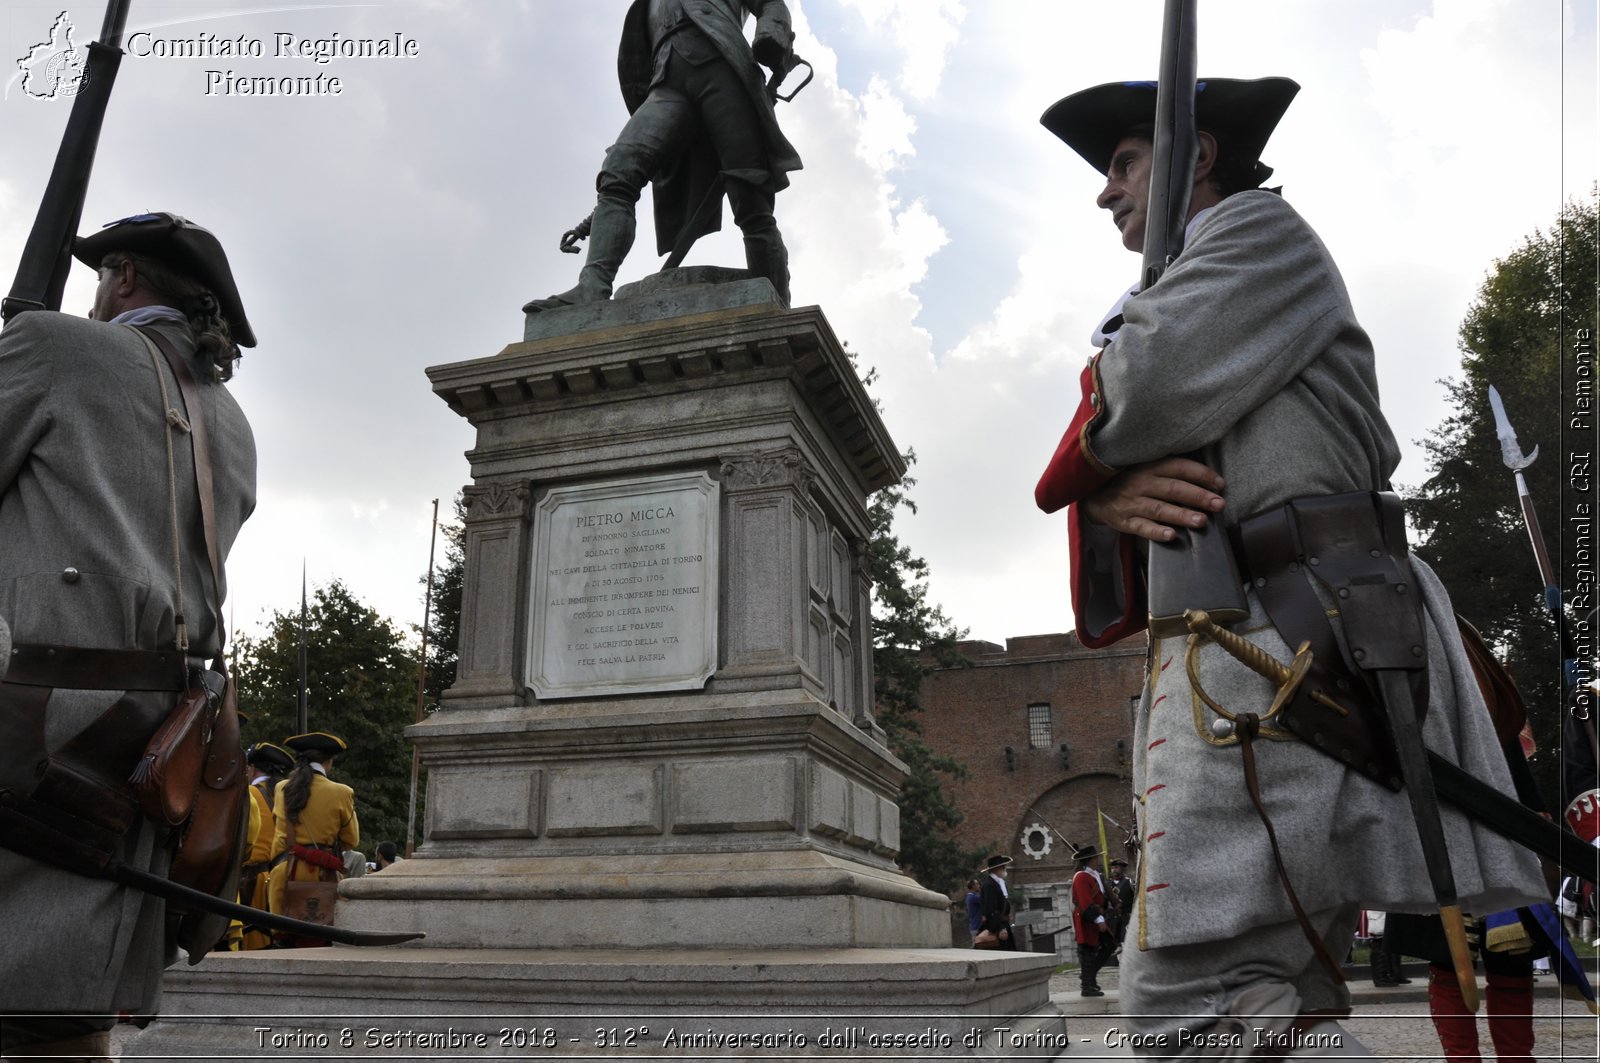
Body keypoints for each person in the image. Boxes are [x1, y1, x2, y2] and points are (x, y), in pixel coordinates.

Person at [1032, 77, 1545, 1054]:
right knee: (1274, 1002)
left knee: (1186, 1002)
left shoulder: (1252, 239)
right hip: (1239, 643)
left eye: (1127, 162)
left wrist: (1091, 471)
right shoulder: (1181, 282)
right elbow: (1126, 428)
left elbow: (1137, 395)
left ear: (1199, 155)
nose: (1107, 192)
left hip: (1280, 637)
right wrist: (1102, 491)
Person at [0, 212, 257, 1060]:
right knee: (67, 1017)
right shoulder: (235, 427)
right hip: (150, 747)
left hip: (34, 731)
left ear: (120, 276)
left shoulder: (56, 348)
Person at [524, 0, 802, 313]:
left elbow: (770, 4)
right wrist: (595, 219)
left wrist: (771, 37)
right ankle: (593, 285)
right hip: (666, 84)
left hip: (723, 69)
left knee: (750, 196)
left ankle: (773, 297)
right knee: (619, 170)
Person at [267, 732, 360, 948]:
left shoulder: (282, 788)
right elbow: (351, 841)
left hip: (285, 875)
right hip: (323, 876)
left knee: (282, 944)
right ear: (328, 762)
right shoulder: (342, 792)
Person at [238, 741, 295, 951]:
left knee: (250, 944)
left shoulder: (248, 793)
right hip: (284, 877)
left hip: (251, 883)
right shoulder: (287, 795)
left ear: (252, 769)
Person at [1071, 845, 1111, 997]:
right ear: (1090, 860)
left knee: (1108, 944)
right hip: (1088, 917)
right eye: (1095, 858)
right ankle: (1087, 985)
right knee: (1088, 951)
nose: (1097, 860)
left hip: (1095, 915)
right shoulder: (1081, 876)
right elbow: (1085, 901)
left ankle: (1089, 978)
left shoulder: (1094, 875)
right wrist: (1098, 919)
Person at [977, 855, 1016, 951]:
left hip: (1002, 923)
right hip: (997, 927)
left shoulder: (997, 883)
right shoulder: (989, 885)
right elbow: (991, 910)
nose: (1004, 869)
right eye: (1003, 867)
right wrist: (1000, 928)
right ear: (996, 869)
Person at [1107, 857, 1136, 955]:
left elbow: (1135, 898)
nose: (1114, 870)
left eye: (1117, 868)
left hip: (1126, 917)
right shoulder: (1108, 884)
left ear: (1122, 869)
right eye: (1113, 868)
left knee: (1126, 942)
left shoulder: (1129, 882)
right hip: (1113, 918)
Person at [963, 878, 983, 945]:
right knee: (977, 948)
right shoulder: (973, 897)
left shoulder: (970, 896)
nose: (979, 885)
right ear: (972, 886)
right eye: (977, 884)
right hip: (976, 926)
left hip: (974, 926)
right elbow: (985, 901)